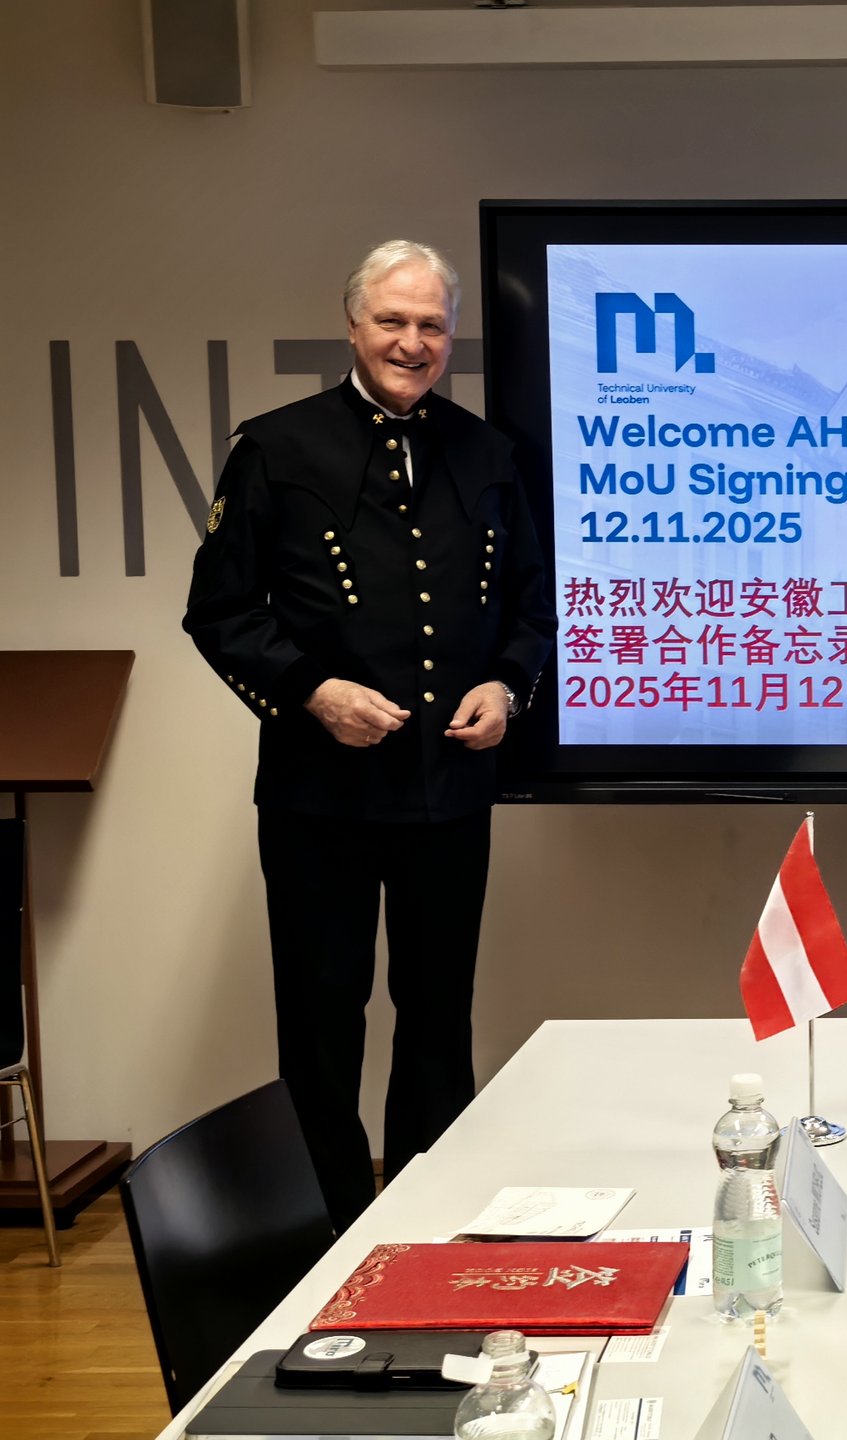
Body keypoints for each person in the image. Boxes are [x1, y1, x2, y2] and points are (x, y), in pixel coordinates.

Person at [184, 240, 557, 1228]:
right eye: (393, 321)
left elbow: (533, 606)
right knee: (321, 1026)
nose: (413, 341)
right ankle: (328, 1236)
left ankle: (431, 1224)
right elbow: (220, 613)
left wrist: (508, 687)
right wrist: (312, 691)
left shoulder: (487, 454)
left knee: (439, 1023)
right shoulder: (278, 446)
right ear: (353, 326)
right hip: (320, 798)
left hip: (450, 791)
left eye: (432, 324)